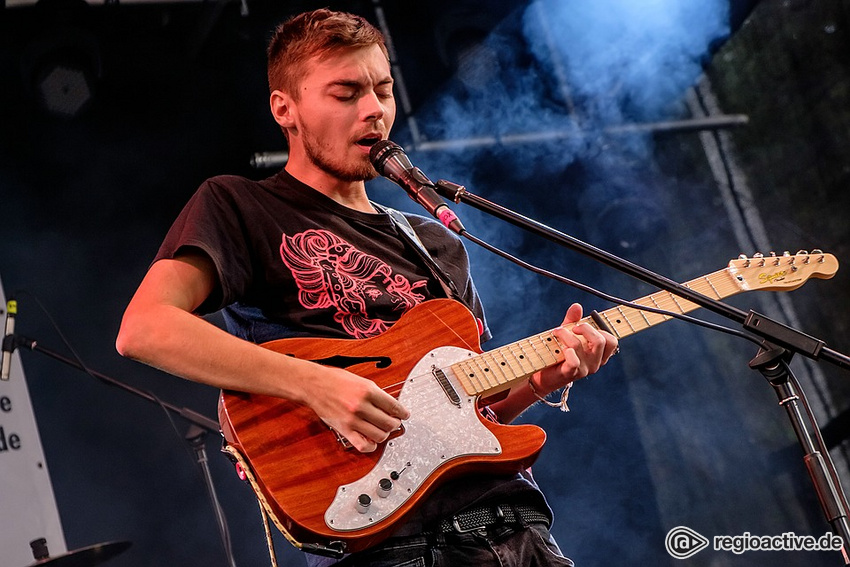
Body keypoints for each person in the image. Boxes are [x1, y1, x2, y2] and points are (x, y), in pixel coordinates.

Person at [116, 8, 618, 567]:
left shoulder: (432, 240)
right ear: (285, 108)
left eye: (382, 89)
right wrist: (316, 385)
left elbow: (474, 410)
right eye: (346, 92)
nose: (374, 110)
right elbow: (145, 328)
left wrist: (544, 379)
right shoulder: (241, 206)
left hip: (517, 531)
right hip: (387, 544)